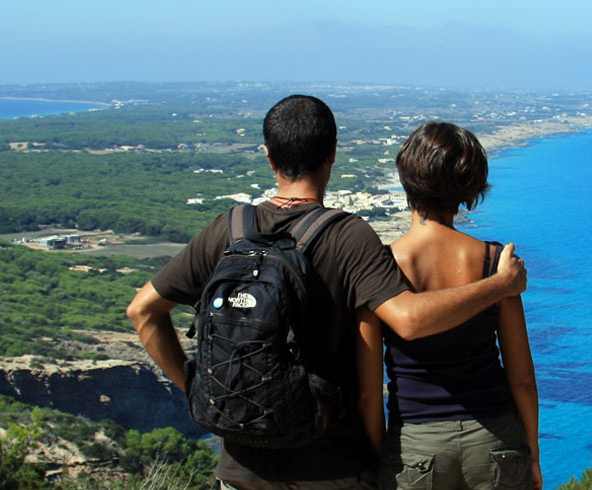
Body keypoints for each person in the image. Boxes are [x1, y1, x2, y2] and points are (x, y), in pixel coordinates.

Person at [126, 96, 527, 490]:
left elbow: (142, 311)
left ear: (269, 157)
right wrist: (500, 284)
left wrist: (200, 390)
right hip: (332, 464)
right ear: (333, 154)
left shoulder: (227, 230)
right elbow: (408, 322)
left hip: (244, 465)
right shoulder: (350, 238)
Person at [373, 122, 542, 490]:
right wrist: (533, 452)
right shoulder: (498, 263)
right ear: (469, 188)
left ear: (407, 180)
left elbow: (368, 386)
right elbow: (523, 379)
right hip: (495, 437)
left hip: (416, 446)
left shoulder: (382, 264)